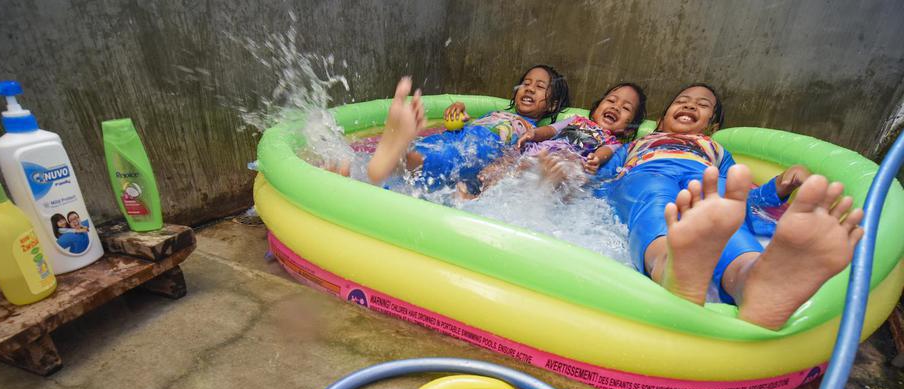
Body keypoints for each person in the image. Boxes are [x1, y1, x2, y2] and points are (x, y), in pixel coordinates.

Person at [600, 83, 863, 330]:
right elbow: (604, 180)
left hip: (705, 175)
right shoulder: (633, 145)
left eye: (702, 105)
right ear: (660, 120)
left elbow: (745, 195)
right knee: (652, 200)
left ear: (711, 126)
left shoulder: (716, 150)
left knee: (723, 209)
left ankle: (750, 278)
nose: (690, 106)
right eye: (682, 101)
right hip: (648, 171)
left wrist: (782, 183)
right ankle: (668, 263)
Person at [366, 66, 570, 188]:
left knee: (441, 158)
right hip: (460, 137)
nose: (530, 88)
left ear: (552, 105)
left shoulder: (533, 132)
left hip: (481, 150)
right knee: (430, 149)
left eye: (540, 87)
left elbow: (522, 155)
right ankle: (394, 157)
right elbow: (467, 124)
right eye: (526, 83)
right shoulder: (495, 114)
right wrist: (458, 113)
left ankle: (393, 157)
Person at [465, 82, 647, 195]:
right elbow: (551, 129)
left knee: (566, 170)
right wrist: (533, 134)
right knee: (510, 159)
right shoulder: (576, 120)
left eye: (626, 108)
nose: (616, 107)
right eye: (611, 100)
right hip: (542, 150)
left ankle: (546, 182)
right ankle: (477, 189)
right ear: (597, 107)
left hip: (567, 159)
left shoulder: (613, 142)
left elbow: (606, 152)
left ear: (628, 129)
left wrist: (596, 159)